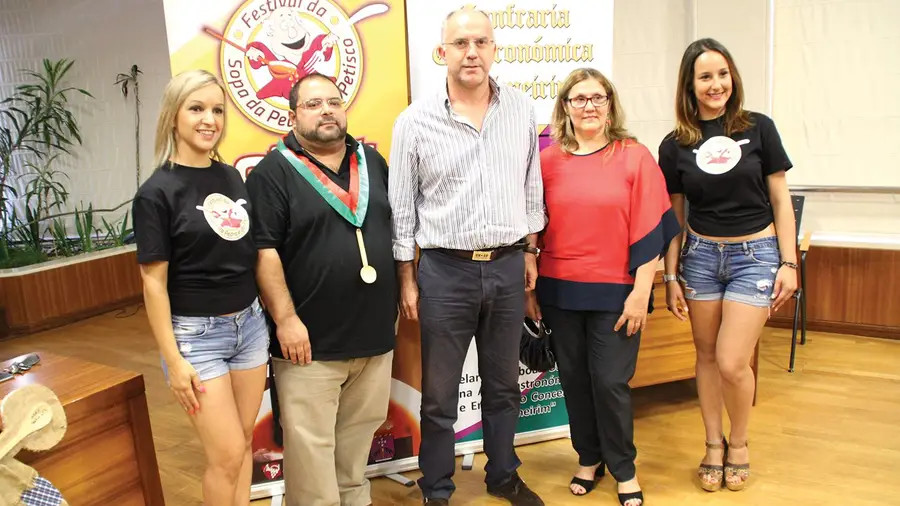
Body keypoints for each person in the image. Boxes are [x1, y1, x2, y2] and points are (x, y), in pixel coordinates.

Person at [388, 7, 546, 506]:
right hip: (443, 272)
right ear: (443, 52)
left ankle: (503, 476)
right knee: (438, 398)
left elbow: (530, 188)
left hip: (505, 267)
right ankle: (436, 489)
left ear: (495, 49)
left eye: (480, 42)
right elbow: (401, 209)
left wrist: (530, 252)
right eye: (460, 43)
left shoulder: (520, 109)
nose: (471, 52)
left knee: (503, 387)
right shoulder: (414, 121)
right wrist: (407, 279)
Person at [526, 68, 679, 506]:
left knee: (611, 381)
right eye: (579, 99)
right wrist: (531, 290)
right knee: (573, 379)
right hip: (559, 290)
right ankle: (588, 458)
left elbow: (652, 231)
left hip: (617, 291)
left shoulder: (634, 157)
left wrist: (640, 292)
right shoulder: (547, 161)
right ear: (565, 107)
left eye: (598, 98)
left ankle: (624, 469)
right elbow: (535, 230)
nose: (589, 106)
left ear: (610, 105)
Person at [245, 72, 397, 506]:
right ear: (293, 115)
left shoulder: (371, 161)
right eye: (313, 104)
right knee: (311, 450)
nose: (326, 110)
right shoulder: (272, 173)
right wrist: (287, 321)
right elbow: (264, 253)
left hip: (372, 335)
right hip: (308, 342)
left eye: (333, 101)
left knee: (355, 441)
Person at [658, 38, 798, 492]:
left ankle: (739, 443)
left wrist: (789, 263)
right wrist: (672, 275)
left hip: (755, 256)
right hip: (700, 258)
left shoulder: (758, 128)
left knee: (732, 361)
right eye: (705, 77)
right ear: (690, 85)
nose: (715, 84)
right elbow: (676, 216)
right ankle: (713, 445)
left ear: (732, 77)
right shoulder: (676, 144)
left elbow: (781, 199)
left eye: (722, 74)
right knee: (704, 357)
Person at [133, 69, 269, 505]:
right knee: (225, 454)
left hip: (249, 327)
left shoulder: (231, 178)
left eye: (216, 110)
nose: (209, 119)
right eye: (196, 109)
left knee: (244, 443)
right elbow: (153, 285)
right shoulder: (156, 192)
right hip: (196, 339)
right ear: (174, 116)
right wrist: (174, 362)